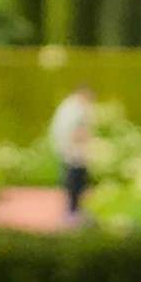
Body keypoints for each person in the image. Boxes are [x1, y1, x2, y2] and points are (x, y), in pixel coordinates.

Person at [47, 85, 102, 224]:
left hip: (69, 150)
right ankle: (73, 212)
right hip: (73, 151)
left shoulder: (69, 106)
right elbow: (77, 131)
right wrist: (87, 145)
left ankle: (74, 211)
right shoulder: (75, 109)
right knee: (76, 180)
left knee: (75, 180)